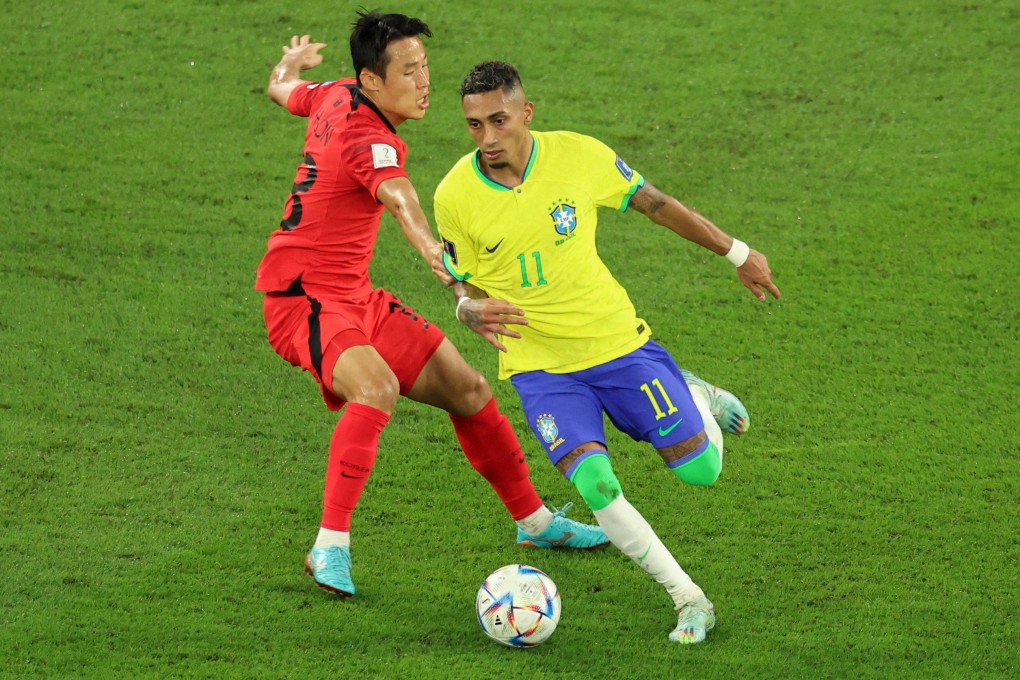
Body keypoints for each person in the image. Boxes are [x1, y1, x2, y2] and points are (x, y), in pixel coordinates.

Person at [255, 15, 608, 599]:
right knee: (375, 388)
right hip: (303, 300)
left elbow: (283, 91)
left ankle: (536, 523)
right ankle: (329, 546)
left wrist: (289, 66)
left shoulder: (335, 92)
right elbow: (401, 201)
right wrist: (441, 261)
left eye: (425, 67)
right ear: (372, 79)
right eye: (409, 71)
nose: (424, 82)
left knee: (467, 390)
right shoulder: (371, 139)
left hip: (354, 296)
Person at [434, 61, 781, 643]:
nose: (488, 138)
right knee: (595, 484)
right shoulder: (454, 195)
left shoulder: (578, 156)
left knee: (702, 471)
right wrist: (465, 308)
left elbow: (656, 204)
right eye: (474, 126)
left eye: (498, 120)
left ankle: (695, 392)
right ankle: (689, 598)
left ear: (526, 113)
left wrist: (737, 252)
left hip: (618, 344)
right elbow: (462, 279)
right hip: (539, 365)